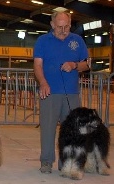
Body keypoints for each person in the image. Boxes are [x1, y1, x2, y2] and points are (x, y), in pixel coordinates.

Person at [33, 11, 90, 174]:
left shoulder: (77, 41)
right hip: (49, 92)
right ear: (52, 25)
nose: (63, 30)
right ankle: (46, 161)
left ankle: (67, 163)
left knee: (72, 131)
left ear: (70, 24)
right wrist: (43, 82)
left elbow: (87, 64)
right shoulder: (42, 41)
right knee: (47, 128)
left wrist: (74, 65)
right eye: (60, 27)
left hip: (71, 94)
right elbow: (37, 65)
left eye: (66, 26)